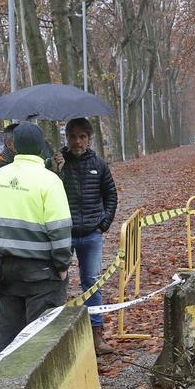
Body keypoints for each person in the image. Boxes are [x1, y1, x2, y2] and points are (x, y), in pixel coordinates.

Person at [0, 122, 72, 354]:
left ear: (15, 146)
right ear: (41, 147)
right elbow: (59, 230)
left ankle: (3, 386)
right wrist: (62, 265)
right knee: (42, 342)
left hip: (6, 272)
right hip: (42, 274)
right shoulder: (50, 181)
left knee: (8, 341)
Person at [58, 117, 118, 354]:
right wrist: (56, 168)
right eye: (73, 136)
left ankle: (96, 336)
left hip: (92, 234)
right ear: (67, 138)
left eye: (82, 137)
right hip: (64, 233)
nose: (77, 141)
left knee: (91, 283)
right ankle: (59, 339)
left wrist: (103, 225)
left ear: (89, 138)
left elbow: (111, 195)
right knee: (57, 283)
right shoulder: (60, 164)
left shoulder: (99, 165)